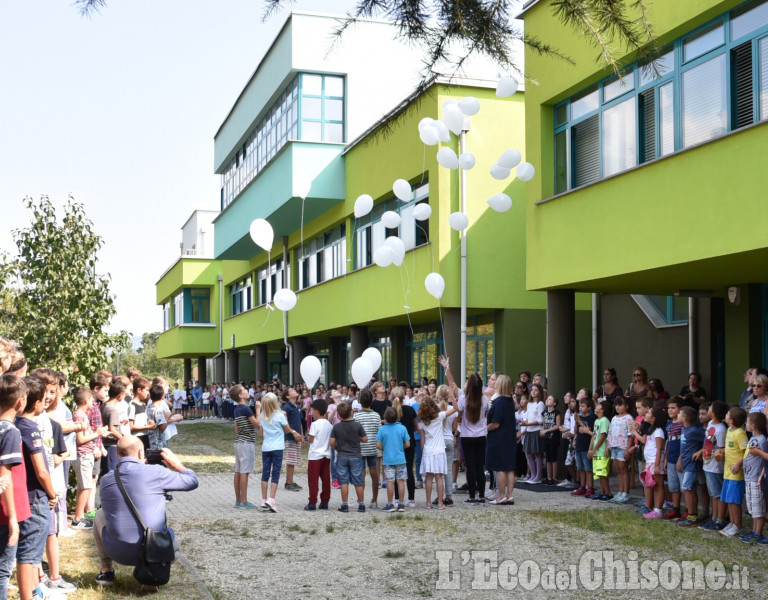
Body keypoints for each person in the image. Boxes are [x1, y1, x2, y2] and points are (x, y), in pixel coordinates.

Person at [93, 435, 198, 588]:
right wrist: (176, 464)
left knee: (100, 514)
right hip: (155, 550)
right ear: (142, 453)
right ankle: (150, 576)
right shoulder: (156, 472)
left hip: (117, 551)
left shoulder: (106, 479)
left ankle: (106, 569)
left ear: (117, 454)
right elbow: (192, 481)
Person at [441, 356, 488, 504]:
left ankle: (472, 496)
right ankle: (481, 496)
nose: (465, 383)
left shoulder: (463, 400)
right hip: (481, 435)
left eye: (467, 382)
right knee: (480, 466)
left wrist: (447, 368)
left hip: (467, 436)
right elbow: (485, 414)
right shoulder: (484, 400)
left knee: (470, 466)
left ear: (470, 386)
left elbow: (459, 417)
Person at [0, 374, 28, 600]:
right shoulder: (10, 432)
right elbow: (5, 476)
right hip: (5, 511)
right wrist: (12, 519)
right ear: (20, 401)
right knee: (3, 569)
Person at [259, 393, 301, 513]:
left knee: (265, 473)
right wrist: (294, 432)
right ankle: (271, 499)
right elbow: (287, 429)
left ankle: (263, 499)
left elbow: (261, 433)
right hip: (277, 448)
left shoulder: (262, 415)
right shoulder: (280, 415)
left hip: (266, 448)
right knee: (275, 473)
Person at [72, 388, 107, 529]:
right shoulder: (79, 416)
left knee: (84, 486)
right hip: (83, 455)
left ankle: (79, 516)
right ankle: (77, 518)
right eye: (91, 400)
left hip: (87, 455)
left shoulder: (82, 415)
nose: (93, 402)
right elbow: (80, 439)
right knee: (86, 487)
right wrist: (97, 433)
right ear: (86, 400)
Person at [418, 395, 457, 509]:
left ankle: (428, 503)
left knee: (429, 477)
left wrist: (422, 451)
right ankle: (440, 503)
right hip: (439, 450)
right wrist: (452, 397)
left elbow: (422, 438)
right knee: (439, 477)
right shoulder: (440, 416)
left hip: (428, 450)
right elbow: (455, 408)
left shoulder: (422, 421)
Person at [695, 401, 728, 531]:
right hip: (708, 463)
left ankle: (720, 519)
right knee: (713, 493)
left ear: (713, 413)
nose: (708, 409)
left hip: (715, 466)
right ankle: (714, 517)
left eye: (709, 408)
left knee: (718, 493)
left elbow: (721, 449)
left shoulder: (720, 429)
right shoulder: (710, 424)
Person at [330, 401, 368, 513]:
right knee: (358, 481)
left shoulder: (337, 427)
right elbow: (365, 439)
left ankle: (344, 504)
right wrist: (359, 439)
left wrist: (337, 448)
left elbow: (331, 442)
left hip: (342, 456)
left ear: (339, 415)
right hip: (356, 456)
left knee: (343, 481)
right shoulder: (357, 425)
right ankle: (361, 505)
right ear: (352, 412)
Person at [485, 375, 517, 505]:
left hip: (499, 438)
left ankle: (501, 495)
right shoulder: (510, 401)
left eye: (497, 383)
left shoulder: (499, 402)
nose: (495, 385)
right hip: (509, 437)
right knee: (509, 468)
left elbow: (495, 423)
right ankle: (509, 495)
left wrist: (483, 428)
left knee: (500, 468)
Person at [632, 406, 667, 519]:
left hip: (655, 462)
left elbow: (659, 449)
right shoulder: (651, 429)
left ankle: (658, 510)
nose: (645, 414)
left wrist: (657, 465)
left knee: (658, 486)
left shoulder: (659, 431)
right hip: (650, 462)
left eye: (648, 413)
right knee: (653, 485)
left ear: (653, 418)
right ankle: (655, 509)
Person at [719, 406, 748, 537]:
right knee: (729, 499)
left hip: (736, 473)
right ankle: (732, 522)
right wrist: (721, 452)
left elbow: (747, 452)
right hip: (728, 472)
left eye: (727, 414)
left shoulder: (740, 433)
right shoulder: (730, 430)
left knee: (735, 501)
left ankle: (738, 525)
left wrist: (738, 464)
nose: (725, 415)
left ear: (730, 420)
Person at [676, 406, 706, 528]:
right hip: (686, 463)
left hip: (692, 464)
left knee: (687, 489)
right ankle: (692, 515)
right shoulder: (684, 428)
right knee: (689, 489)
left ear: (684, 418)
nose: (677, 415)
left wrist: (701, 451)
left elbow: (707, 439)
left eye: (679, 414)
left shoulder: (694, 430)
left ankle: (692, 516)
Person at [376, 407, 410, 512]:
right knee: (400, 481)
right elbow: (408, 444)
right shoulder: (402, 428)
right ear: (397, 416)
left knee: (390, 481)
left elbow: (377, 444)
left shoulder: (382, 429)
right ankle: (401, 504)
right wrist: (401, 448)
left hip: (388, 459)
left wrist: (384, 448)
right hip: (400, 459)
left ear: (385, 417)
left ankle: (390, 504)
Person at [232, 384, 259, 508]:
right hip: (247, 443)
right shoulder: (246, 408)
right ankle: (244, 501)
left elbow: (236, 429)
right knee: (244, 472)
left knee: (238, 471)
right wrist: (258, 410)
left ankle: (238, 500)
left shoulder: (237, 409)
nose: (247, 391)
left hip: (239, 441)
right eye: (244, 390)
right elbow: (257, 424)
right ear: (240, 395)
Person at [354, 389, 381, 508]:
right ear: (372, 401)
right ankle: (374, 500)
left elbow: (355, 432)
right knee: (374, 475)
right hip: (373, 449)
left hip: (360, 449)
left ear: (359, 401)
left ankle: (361, 500)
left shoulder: (357, 416)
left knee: (361, 475)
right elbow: (379, 432)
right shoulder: (376, 415)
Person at [744, 412, 768, 543]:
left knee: (758, 508)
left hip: (756, 478)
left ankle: (758, 533)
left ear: (753, 425)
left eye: (747, 422)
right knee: (752, 508)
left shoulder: (762, 440)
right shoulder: (753, 438)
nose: (746, 424)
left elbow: (764, 459)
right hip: (749, 477)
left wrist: (761, 476)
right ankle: (754, 531)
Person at [305, 399, 332, 511]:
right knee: (326, 479)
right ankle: (325, 501)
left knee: (313, 479)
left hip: (315, 455)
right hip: (326, 454)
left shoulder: (315, 424)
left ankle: (312, 502)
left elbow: (311, 440)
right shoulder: (329, 425)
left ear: (316, 411)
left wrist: (308, 436)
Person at [607, 397, 633, 504]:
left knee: (623, 469)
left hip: (623, 446)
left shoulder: (629, 418)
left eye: (620, 405)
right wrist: (608, 445)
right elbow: (610, 433)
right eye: (616, 405)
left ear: (626, 406)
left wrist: (628, 449)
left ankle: (626, 493)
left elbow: (631, 435)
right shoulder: (614, 418)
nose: (618, 407)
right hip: (614, 446)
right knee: (618, 470)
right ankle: (621, 491)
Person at [588, 398, 612, 501]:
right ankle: (602, 492)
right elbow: (594, 435)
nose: (596, 406)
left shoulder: (605, 421)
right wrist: (590, 449)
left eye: (598, 406)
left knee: (603, 474)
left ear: (602, 409)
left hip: (601, 451)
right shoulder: (597, 421)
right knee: (598, 473)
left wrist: (594, 449)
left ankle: (608, 493)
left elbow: (603, 436)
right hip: (596, 451)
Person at [662, 397, 683, 520]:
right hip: (670, 458)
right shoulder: (669, 423)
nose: (670, 410)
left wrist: (680, 458)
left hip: (681, 459)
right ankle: (676, 510)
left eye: (673, 408)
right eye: (669, 408)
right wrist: (665, 458)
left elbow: (685, 444)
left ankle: (690, 511)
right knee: (673, 486)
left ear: (680, 409)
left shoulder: (682, 424)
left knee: (685, 487)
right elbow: (668, 442)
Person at [540, 395, 561, 486]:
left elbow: (558, 425)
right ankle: (549, 478)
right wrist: (542, 430)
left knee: (553, 457)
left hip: (553, 437)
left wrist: (547, 430)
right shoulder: (544, 412)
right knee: (548, 458)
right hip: (546, 437)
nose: (547, 400)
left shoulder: (557, 412)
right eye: (547, 399)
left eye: (550, 399)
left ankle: (554, 478)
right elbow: (544, 424)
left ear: (554, 403)